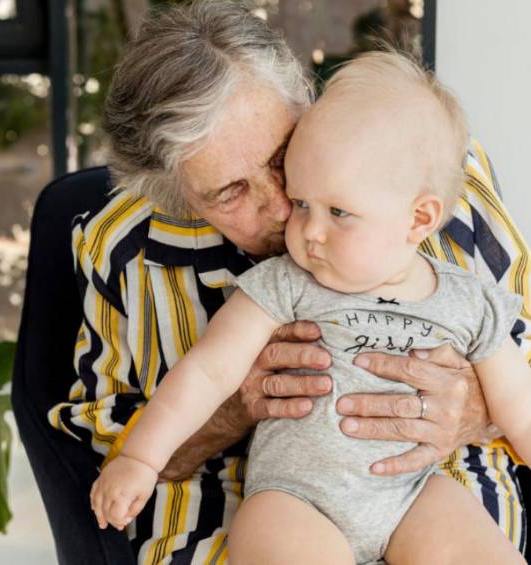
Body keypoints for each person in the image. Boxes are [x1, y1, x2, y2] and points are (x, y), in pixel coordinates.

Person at [48, 1, 530, 561]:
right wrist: (232, 409)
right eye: (231, 192)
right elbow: (100, 442)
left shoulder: (423, 170)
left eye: (284, 157)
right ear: (179, 198)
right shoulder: (123, 244)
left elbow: (519, 351)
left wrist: (475, 403)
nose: (285, 210)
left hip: (428, 482)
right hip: (255, 497)